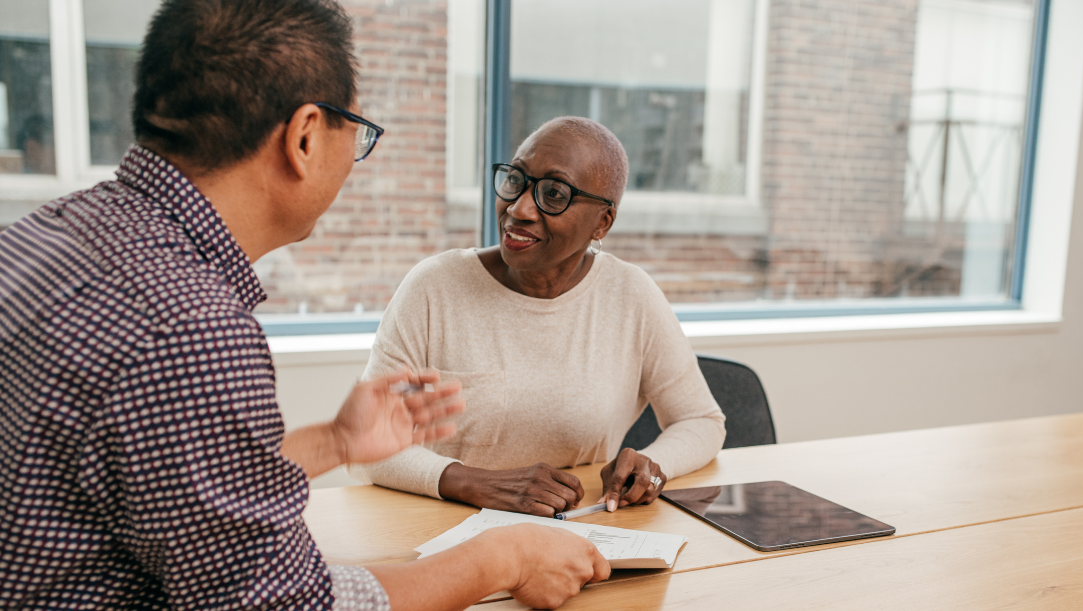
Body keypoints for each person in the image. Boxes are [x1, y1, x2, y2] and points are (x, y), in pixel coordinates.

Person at [0, 1, 608, 610]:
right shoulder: (187, 328)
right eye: (357, 131)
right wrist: (505, 557)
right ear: (305, 135)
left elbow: (153, 481)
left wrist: (334, 441)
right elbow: (283, 604)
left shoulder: (48, 234)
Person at [349, 117, 727, 517]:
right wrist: (477, 483)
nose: (519, 208)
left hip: (578, 528)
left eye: (553, 194)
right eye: (516, 180)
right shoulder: (434, 288)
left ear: (602, 222)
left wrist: (652, 464)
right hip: (440, 527)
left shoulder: (630, 295)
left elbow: (701, 421)